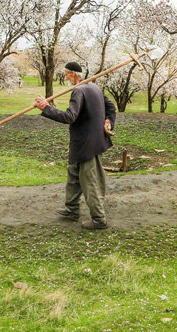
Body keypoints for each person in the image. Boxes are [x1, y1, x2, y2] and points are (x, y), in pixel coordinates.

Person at [35, 61, 116, 230]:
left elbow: (70, 117)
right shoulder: (93, 86)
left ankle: (99, 219)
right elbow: (111, 107)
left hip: (88, 145)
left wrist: (46, 108)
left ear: (73, 74)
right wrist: (108, 121)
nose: (65, 77)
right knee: (74, 174)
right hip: (86, 142)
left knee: (90, 180)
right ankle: (71, 209)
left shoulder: (79, 90)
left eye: (66, 74)